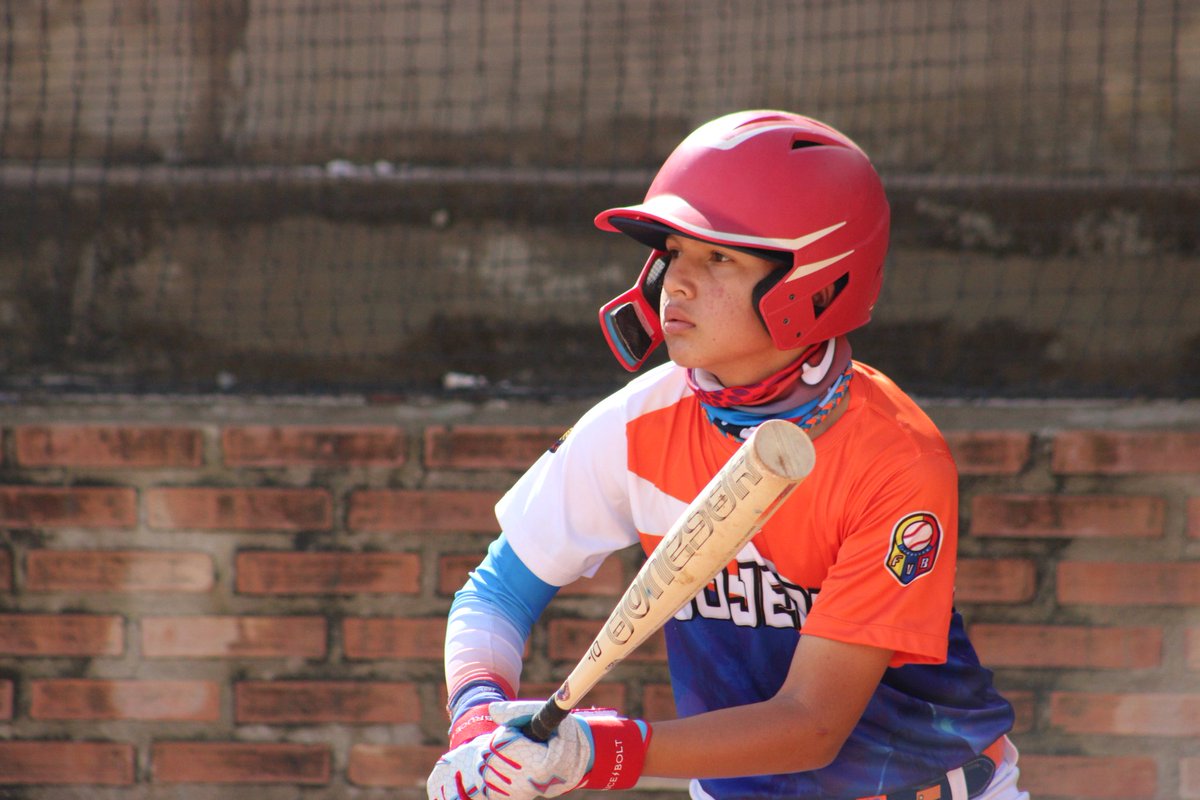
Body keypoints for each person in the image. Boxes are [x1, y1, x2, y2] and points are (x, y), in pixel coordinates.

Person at [428, 110, 1028, 800]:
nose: (675, 284)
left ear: (817, 280)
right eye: (672, 253)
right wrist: (477, 715)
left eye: (719, 257)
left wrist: (599, 749)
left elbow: (812, 723)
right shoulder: (641, 420)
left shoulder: (893, 457)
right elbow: (498, 590)